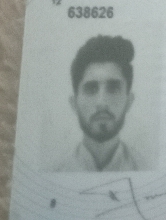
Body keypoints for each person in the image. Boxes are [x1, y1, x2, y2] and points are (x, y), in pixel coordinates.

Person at [57, 35, 145, 172]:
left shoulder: (145, 169)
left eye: (113, 89)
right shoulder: (56, 172)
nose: (102, 102)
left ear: (129, 101)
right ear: (74, 103)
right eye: (91, 89)